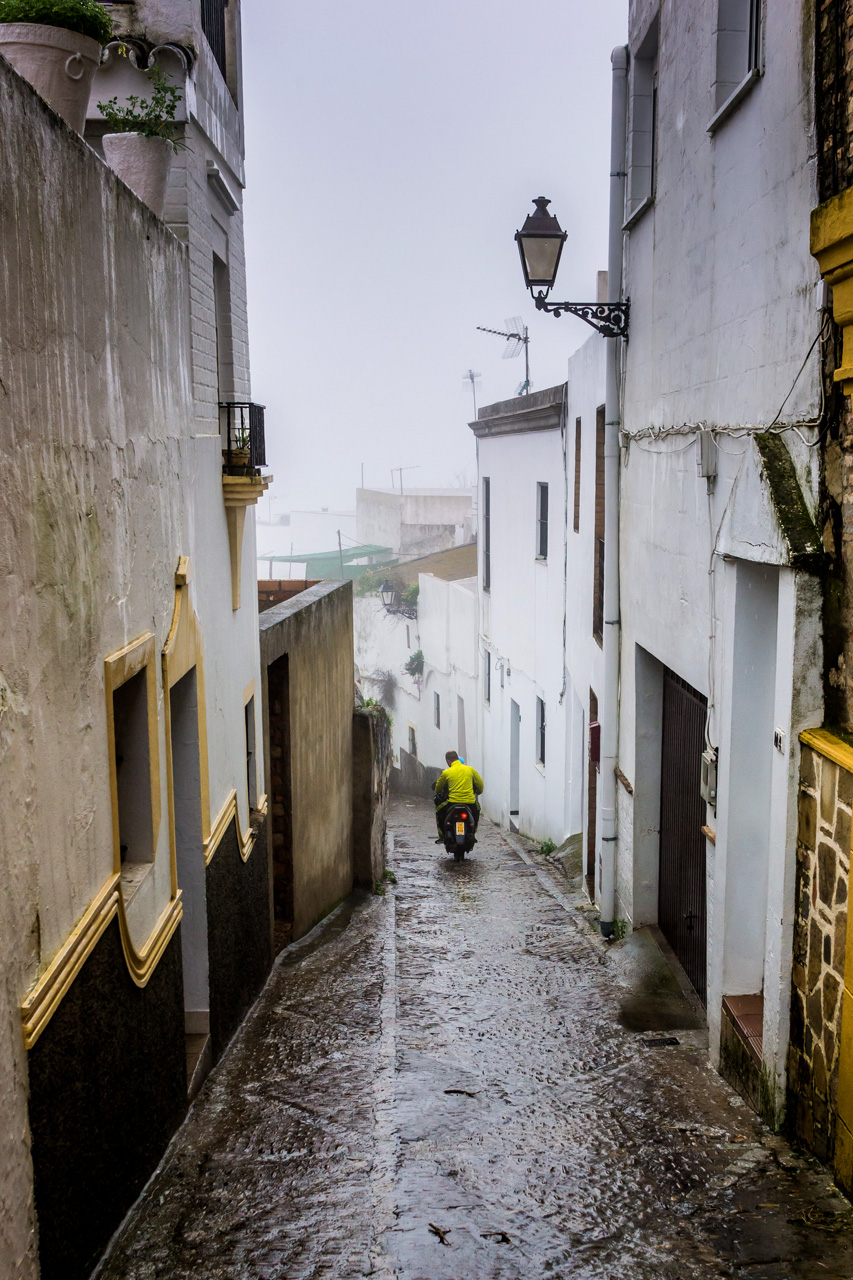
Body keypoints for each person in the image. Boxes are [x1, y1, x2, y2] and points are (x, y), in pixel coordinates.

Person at [433, 751, 484, 842]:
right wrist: (478, 792)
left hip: (452, 802)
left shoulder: (446, 772)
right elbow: (480, 786)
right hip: (470, 802)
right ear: (457, 758)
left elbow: (438, 789)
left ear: (448, 761)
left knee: (438, 811)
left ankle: (442, 836)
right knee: (476, 812)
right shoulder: (470, 770)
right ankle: (473, 833)